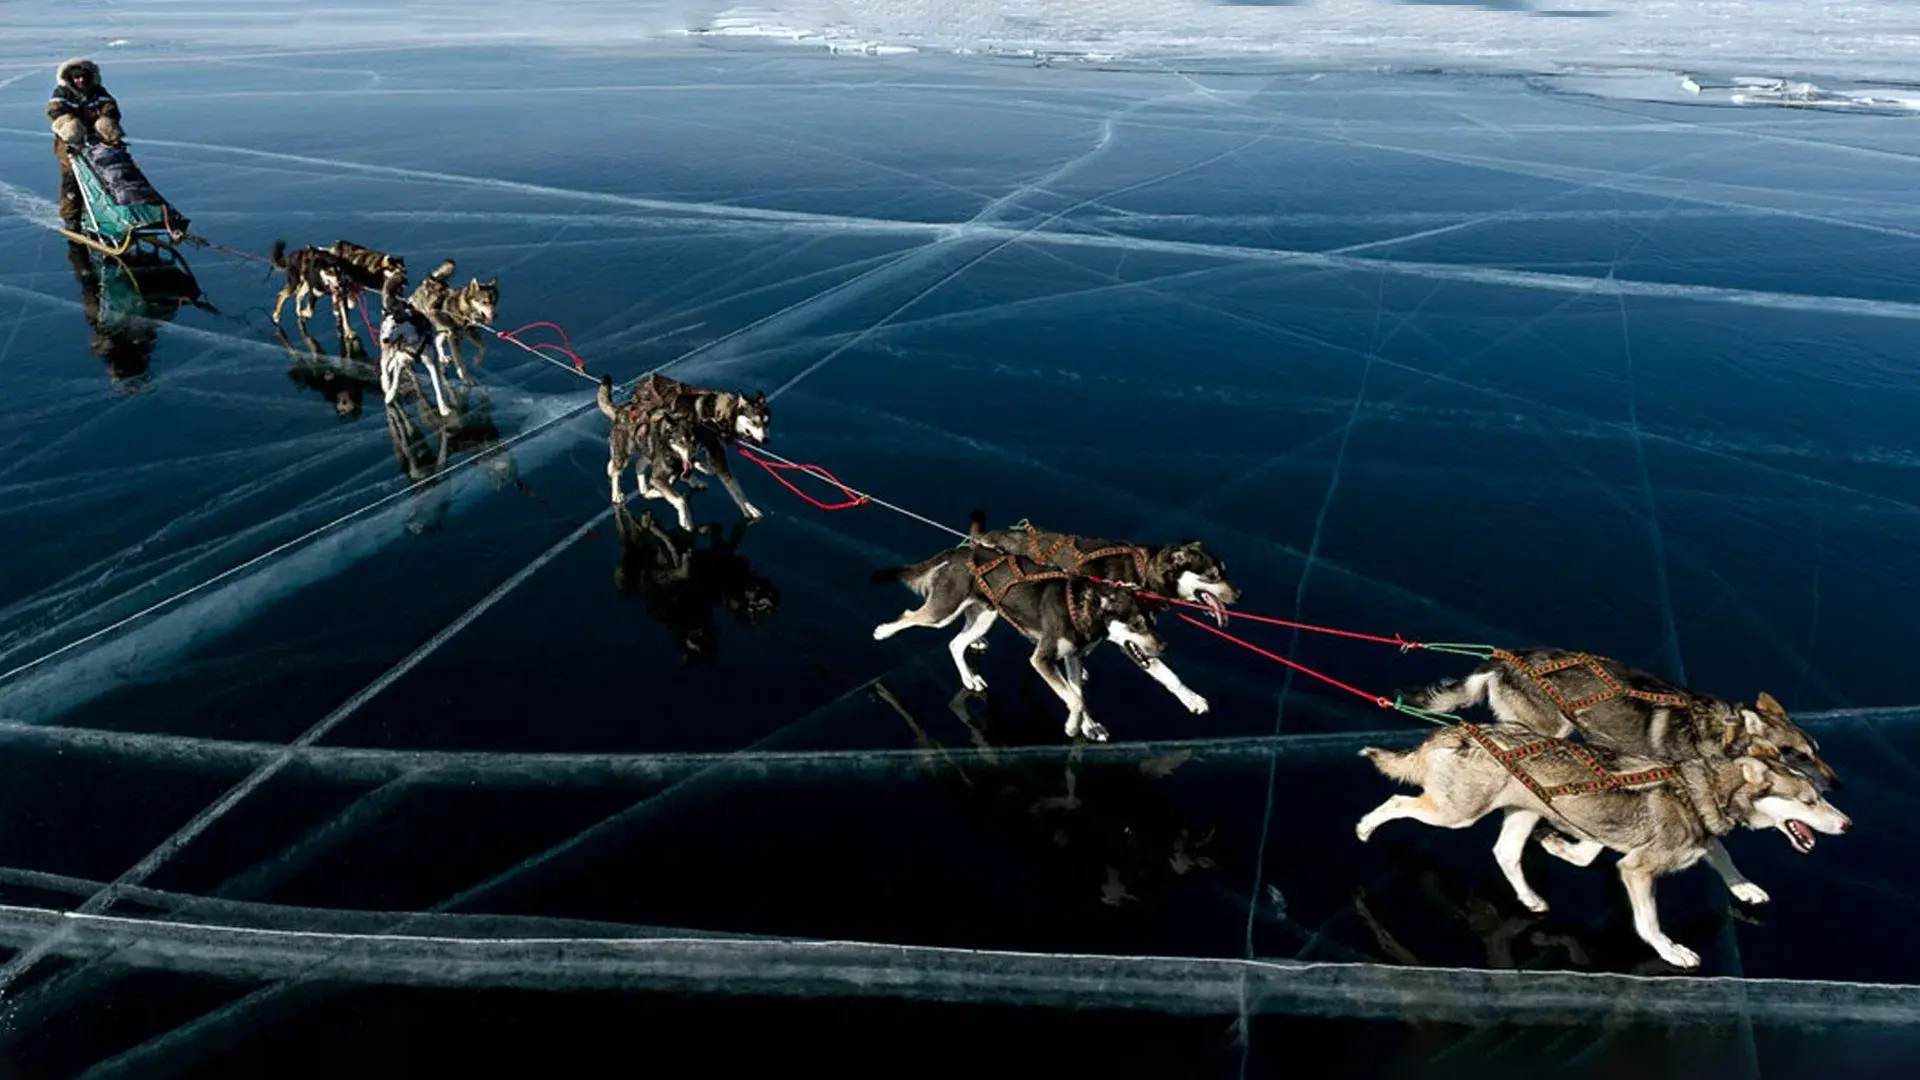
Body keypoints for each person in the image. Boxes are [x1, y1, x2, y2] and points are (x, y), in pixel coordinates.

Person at [47, 58, 123, 230]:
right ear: (70, 78)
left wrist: (106, 123)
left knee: (108, 175)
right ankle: (71, 217)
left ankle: (106, 211)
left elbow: (110, 107)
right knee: (71, 180)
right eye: (76, 77)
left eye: (83, 77)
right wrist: (69, 126)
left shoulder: (98, 92)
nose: (80, 80)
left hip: (97, 141)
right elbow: (54, 110)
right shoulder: (62, 93)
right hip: (70, 144)